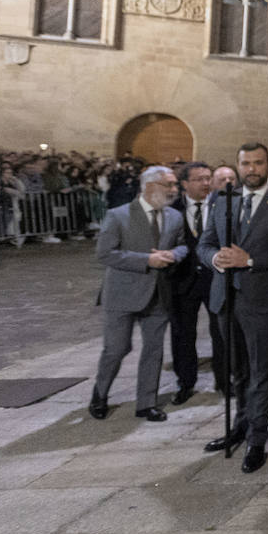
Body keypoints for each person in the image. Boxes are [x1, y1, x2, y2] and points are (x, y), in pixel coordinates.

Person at [197, 142, 268, 473]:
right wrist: (214, 258)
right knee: (238, 371)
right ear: (238, 165)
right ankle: (240, 425)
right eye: (246, 163)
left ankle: (257, 438)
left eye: (258, 163)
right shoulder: (222, 199)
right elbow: (205, 243)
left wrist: (253, 259)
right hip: (224, 297)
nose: (251, 169)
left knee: (262, 371)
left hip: (262, 300)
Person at [89, 165, 187, 422]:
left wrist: (174, 255)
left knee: (154, 349)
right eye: (170, 185)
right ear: (150, 186)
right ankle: (100, 394)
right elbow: (105, 253)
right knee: (117, 349)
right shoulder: (118, 215)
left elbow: (183, 245)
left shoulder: (175, 217)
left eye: (175, 185)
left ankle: (146, 402)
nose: (174, 190)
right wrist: (147, 260)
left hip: (159, 293)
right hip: (122, 294)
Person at [164, 162, 238, 404]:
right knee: (182, 333)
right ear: (184, 184)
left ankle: (224, 381)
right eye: (199, 179)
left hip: (215, 278)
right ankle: (185, 383)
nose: (206, 183)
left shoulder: (224, 205)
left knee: (222, 332)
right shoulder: (171, 208)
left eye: (208, 178)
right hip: (182, 280)